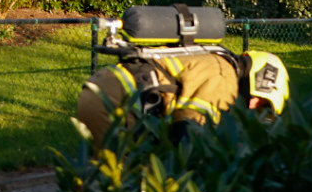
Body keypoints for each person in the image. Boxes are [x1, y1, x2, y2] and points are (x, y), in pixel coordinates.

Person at [77, 47, 289, 151]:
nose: (252, 107)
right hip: (116, 101)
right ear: (257, 80)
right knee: (123, 185)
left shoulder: (215, 61)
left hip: (104, 89)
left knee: (101, 177)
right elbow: (189, 129)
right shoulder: (225, 79)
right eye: (260, 102)